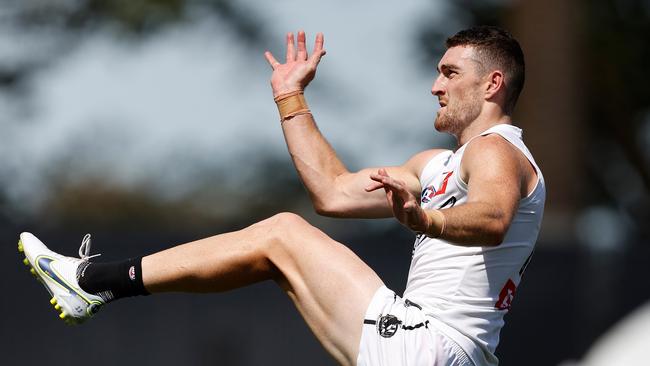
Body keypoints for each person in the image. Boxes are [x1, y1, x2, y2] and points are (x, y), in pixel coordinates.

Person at [18, 26, 545, 366]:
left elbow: (493, 217)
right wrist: (290, 97)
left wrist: (424, 220)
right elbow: (333, 192)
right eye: (437, 72)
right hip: (424, 344)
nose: (435, 85)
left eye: (450, 73)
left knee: (281, 235)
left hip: (432, 345)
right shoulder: (433, 164)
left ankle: (93, 282)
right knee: (281, 242)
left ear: (493, 83)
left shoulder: (497, 150)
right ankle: (93, 285)